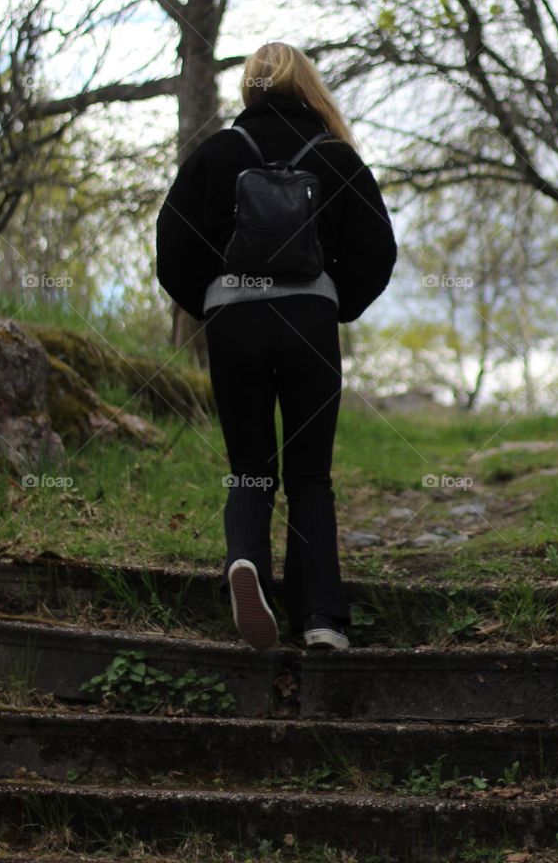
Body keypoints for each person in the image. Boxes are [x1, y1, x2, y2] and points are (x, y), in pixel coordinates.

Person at [155, 42, 397, 651]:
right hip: (309, 320)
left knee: (250, 468)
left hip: (233, 319)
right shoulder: (337, 157)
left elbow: (172, 245)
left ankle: (248, 565)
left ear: (250, 88)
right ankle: (321, 620)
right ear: (308, 87)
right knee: (310, 476)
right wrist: (334, 302)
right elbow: (377, 250)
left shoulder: (217, 151)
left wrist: (212, 295)